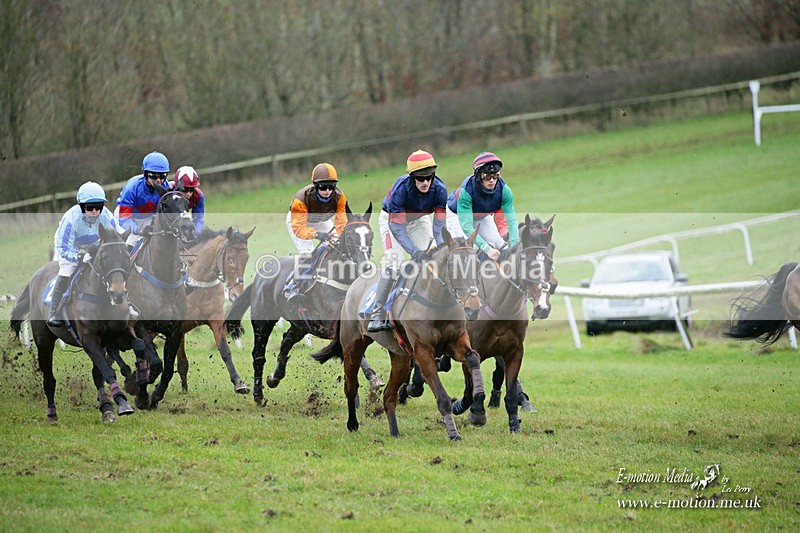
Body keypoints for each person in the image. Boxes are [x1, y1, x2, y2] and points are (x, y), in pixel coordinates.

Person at [367, 149, 447, 332]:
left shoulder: (440, 189)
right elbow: (397, 228)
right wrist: (414, 251)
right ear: (412, 177)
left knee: (433, 258)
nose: (426, 182)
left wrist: (440, 246)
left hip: (419, 220)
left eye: (429, 177)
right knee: (395, 263)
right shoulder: (400, 190)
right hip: (392, 222)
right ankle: (377, 314)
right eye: (420, 178)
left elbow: (439, 226)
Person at [48, 181, 126, 327]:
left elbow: (115, 236)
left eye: (99, 206)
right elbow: (63, 247)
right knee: (67, 270)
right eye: (90, 207)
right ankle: (53, 311)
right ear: (82, 206)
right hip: (71, 245)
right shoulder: (70, 219)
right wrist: (79, 256)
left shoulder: (106, 216)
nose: (95, 211)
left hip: (94, 243)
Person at [284, 163, 348, 301]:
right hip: (299, 221)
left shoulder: (340, 196)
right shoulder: (301, 199)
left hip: (321, 220)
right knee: (307, 253)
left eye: (331, 186)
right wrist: (317, 235)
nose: (327, 191)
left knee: (337, 246)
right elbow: (300, 228)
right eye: (323, 186)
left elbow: (342, 222)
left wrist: (341, 237)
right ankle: (293, 285)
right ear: (314, 185)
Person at [446, 151, 519, 261]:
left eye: (495, 176)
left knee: (499, 244)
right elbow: (467, 226)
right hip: (457, 215)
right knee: (469, 248)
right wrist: (486, 249)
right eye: (487, 176)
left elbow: (512, 221)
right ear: (478, 176)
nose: (492, 180)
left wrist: (515, 247)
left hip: (480, 215)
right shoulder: (466, 191)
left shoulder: (505, 191)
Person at [115, 151, 170, 248]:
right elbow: (124, 219)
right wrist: (139, 230)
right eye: (154, 176)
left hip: (148, 218)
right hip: (127, 218)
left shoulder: (166, 187)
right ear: (145, 174)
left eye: (162, 176)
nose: (158, 180)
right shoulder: (132, 188)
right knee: (130, 243)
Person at [170, 165, 205, 235]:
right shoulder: (168, 191)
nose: (188, 194)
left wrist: (195, 233)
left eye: (192, 189)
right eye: (185, 189)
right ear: (177, 186)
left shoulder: (199, 196)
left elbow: (198, 219)